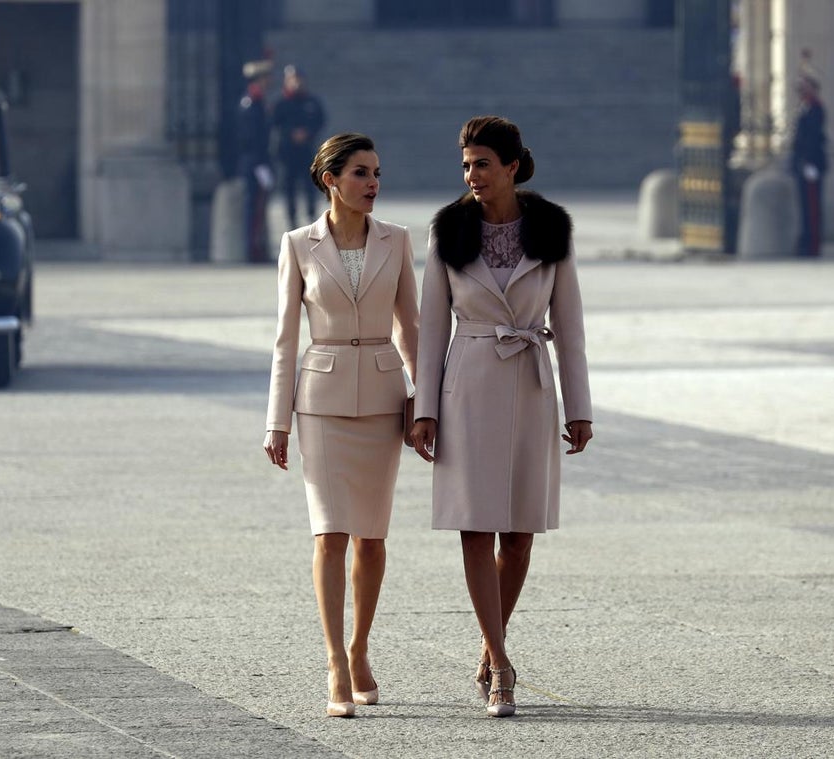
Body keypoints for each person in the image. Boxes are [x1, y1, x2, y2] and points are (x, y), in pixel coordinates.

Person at [409, 116, 593, 718]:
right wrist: (425, 409)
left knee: (518, 535)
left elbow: (569, 327)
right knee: (475, 525)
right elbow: (431, 327)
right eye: (465, 165)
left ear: (512, 166)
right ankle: (502, 663)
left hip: (533, 385)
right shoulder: (448, 231)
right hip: (468, 385)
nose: (472, 176)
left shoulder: (552, 230)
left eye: (482, 164)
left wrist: (580, 407)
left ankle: (490, 648)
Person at [263, 133, 419, 718]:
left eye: (377, 172)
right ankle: (334, 660)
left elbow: (412, 328)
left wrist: (422, 402)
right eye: (360, 173)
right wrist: (277, 421)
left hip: (382, 398)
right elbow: (284, 340)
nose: (373, 183)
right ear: (331, 180)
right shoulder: (298, 245)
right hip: (321, 401)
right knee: (329, 534)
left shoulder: (398, 240)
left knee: (372, 539)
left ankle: (360, 649)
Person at [272, 65, 327, 229]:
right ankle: (292, 217)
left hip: (306, 151)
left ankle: (311, 214)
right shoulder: (281, 103)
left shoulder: (311, 102)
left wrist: (308, 133)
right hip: (288, 152)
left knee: (309, 184)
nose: (296, 83)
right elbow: (274, 123)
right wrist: (290, 134)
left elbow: (320, 120)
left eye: (298, 79)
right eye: (292, 79)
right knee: (289, 185)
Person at [238, 59, 275, 263]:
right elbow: (250, 137)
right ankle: (252, 249)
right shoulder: (251, 102)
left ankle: (257, 246)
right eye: (266, 77)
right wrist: (260, 165)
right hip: (255, 163)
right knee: (254, 207)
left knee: (259, 207)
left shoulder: (259, 101)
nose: (269, 81)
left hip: (259, 161)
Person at [791, 72, 827, 257]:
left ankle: (812, 245)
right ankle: (806, 240)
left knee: (812, 206)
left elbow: (813, 138)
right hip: (802, 163)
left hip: (811, 163)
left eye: (804, 86)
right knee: (805, 205)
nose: (800, 90)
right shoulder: (804, 106)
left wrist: (809, 162)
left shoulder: (815, 107)